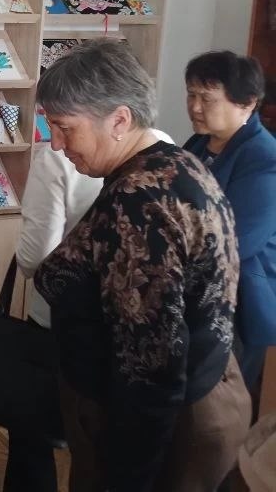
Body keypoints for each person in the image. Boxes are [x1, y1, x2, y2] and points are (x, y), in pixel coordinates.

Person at [33, 38, 250, 492]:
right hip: (195, 397)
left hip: (162, 430)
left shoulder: (139, 202)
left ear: (119, 120)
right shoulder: (175, 163)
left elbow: (152, 365)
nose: (56, 143)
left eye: (64, 127)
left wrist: (128, 477)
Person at [7, 127, 173, 492]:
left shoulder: (55, 160)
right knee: (98, 442)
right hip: (126, 333)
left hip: (57, 321)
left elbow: (35, 259)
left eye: (60, 123)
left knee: (31, 431)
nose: (57, 139)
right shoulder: (163, 146)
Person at [184, 50, 276, 416]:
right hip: (195, 290)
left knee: (218, 411)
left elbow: (238, 241)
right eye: (191, 94)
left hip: (237, 299)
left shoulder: (264, 158)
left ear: (247, 103)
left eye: (207, 98)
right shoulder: (198, 144)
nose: (195, 107)